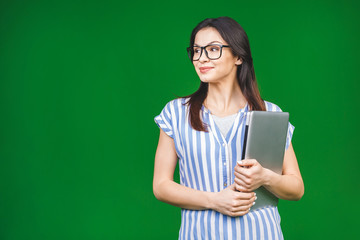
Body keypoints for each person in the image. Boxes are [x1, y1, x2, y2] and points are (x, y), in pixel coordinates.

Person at [153, 16, 304, 239]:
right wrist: (214, 201)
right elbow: (161, 185)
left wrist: (265, 177)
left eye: (213, 49)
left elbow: (296, 188)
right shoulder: (175, 113)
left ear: (238, 56)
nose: (201, 58)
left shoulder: (269, 114)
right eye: (196, 50)